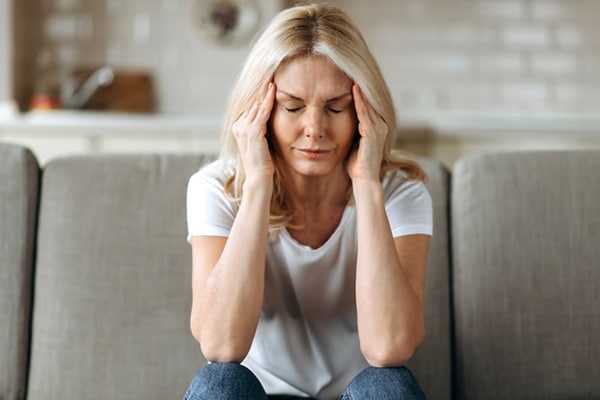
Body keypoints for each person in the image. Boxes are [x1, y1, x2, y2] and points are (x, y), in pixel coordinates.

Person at [184, 3, 432, 399]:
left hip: (354, 394)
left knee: (389, 385)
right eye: (293, 107)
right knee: (220, 382)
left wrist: (367, 184)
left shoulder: (401, 193)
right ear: (260, 112)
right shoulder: (215, 189)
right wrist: (258, 186)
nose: (314, 129)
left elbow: (389, 348)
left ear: (364, 112)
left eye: (336, 107)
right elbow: (220, 346)